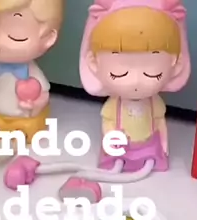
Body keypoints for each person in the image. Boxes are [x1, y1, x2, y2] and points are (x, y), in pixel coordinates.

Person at [79, 0, 190, 174]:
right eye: (120, 74)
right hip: (120, 147)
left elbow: (159, 123)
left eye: (151, 74)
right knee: (115, 162)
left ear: (177, 64)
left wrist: (164, 145)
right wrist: (111, 141)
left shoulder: (155, 104)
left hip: (149, 146)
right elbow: (108, 124)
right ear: (93, 62)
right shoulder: (114, 106)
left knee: (150, 160)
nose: (136, 81)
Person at [0, 0, 64, 142]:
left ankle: (16, 138)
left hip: (22, 118)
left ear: (48, 38)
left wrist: (35, 105)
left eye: (16, 37)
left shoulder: (32, 74)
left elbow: (44, 95)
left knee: (20, 132)